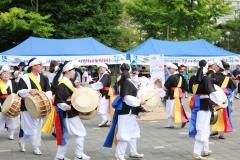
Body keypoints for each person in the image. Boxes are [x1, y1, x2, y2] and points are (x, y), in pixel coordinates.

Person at [104, 62, 145, 160]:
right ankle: (119, 155)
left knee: (133, 131)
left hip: (129, 110)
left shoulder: (124, 80)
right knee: (124, 133)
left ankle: (133, 152)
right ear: (130, 71)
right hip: (126, 111)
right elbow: (127, 97)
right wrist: (139, 102)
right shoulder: (125, 81)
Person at [189, 60, 225, 160]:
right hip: (204, 106)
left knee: (204, 128)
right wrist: (221, 101)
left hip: (200, 105)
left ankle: (205, 149)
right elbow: (212, 92)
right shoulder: (206, 79)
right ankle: (196, 152)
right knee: (202, 129)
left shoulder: (196, 78)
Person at [54, 61, 90, 160]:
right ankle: (79, 155)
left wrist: (78, 87)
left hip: (69, 113)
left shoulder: (68, 82)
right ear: (67, 72)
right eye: (73, 70)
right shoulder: (62, 84)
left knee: (65, 135)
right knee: (80, 132)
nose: (74, 72)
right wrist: (64, 105)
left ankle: (59, 156)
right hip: (68, 113)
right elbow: (58, 99)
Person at [18, 57, 52, 155]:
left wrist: (47, 99)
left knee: (37, 127)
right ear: (33, 67)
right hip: (27, 106)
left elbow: (48, 90)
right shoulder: (25, 77)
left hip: (40, 107)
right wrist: (29, 91)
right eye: (39, 65)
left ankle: (35, 146)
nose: (41, 67)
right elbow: (19, 92)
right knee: (30, 128)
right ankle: (25, 141)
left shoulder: (44, 77)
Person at [210, 60, 236, 139]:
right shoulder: (227, 77)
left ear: (218, 66)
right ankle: (220, 133)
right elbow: (232, 88)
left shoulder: (212, 76)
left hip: (214, 98)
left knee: (214, 114)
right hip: (223, 98)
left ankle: (216, 130)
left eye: (214, 65)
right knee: (223, 114)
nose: (213, 66)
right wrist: (226, 92)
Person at [164, 63, 188, 128]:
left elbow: (165, 87)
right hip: (178, 93)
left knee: (171, 108)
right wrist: (183, 92)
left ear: (173, 69)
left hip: (172, 94)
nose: (168, 70)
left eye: (169, 69)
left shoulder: (171, 77)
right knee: (178, 107)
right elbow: (185, 86)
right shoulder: (181, 76)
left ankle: (182, 120)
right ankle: (174, 123)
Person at [0, 65, 19, 140]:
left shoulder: (13, 83)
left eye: (7, 74)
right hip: (1, 104)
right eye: (4, 74)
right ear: (0, 75)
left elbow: (17, 92)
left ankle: (11, 134)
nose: (6, 75)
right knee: (0, 119)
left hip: (12, 104)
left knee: (12, 119)